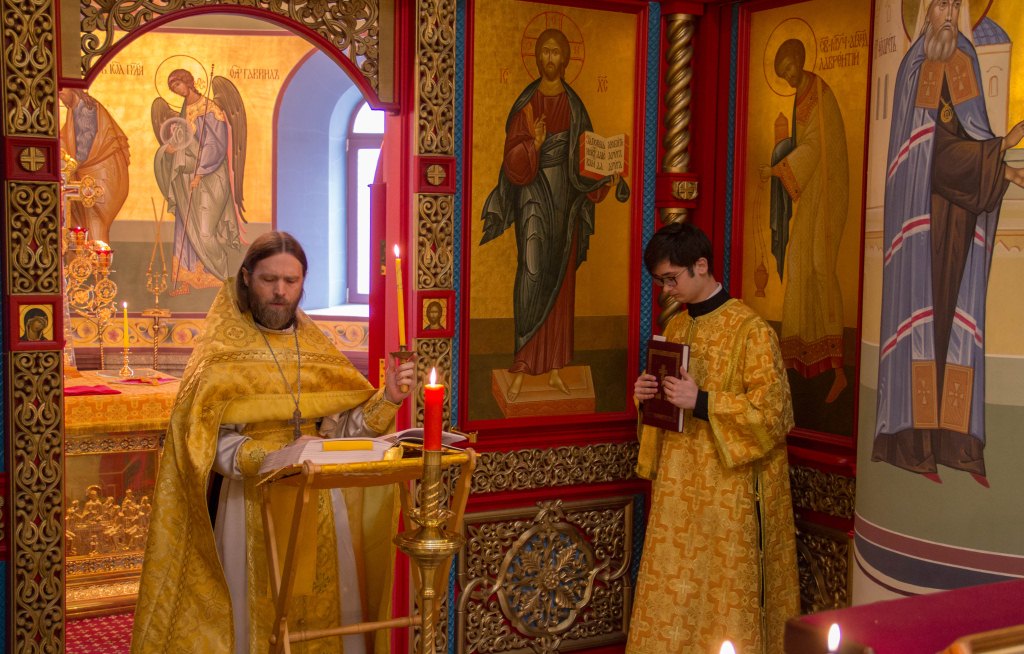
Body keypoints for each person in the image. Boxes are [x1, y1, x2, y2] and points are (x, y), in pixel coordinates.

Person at [131, 231, 416, 654]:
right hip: (249, 501)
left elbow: (342, 431)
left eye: (291, 280)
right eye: (269, 280)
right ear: (247, 277)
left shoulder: (316, 348)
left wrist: (387, 398)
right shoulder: (220, 352)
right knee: (256, 615)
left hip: (318, 499)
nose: (281, 291)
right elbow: (204, 439)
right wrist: (269, 457)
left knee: (325, 614)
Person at [627, 222, 798, 653]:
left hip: (730, 493)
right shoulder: (677, 328)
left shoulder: (752, 330)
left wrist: (701, 401)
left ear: (701, 265)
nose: (667, 290)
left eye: (672, 278)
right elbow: (666, 409)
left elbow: (774, 415)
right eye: (661, 282)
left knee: (723, 594)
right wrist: (646, 398)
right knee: (678, 594)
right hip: (679, 490)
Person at [874, 0, 1024, 484]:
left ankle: (956, 445)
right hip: (923, 221)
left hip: (960, 217)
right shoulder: (914, 66)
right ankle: (914, 444)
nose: (949, 12)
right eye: (941, 2)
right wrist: (1001, 153)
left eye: (956, 4)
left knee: (954, 321)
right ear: (924, 10)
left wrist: (995, 161)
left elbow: (968, 130)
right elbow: (925, 150)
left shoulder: (966, 59)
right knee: (925, 320)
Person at [480, 27, 629, 401]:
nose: (549, 58)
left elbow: (587, 160)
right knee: (532, 270)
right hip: (533, 194)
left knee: (561, 282)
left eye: (555, 52)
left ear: (565, 59)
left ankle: (556, 367)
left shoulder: (575, 106)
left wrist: (606, 175)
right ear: (537, 57)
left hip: (567, 200)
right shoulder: (527, 103)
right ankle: (523, 361)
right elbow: (512, 161)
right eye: (544, 51)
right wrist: (535, 143)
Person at [760, 38, 850, 404]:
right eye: (783, 75)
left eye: (790, 68)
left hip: (829, 192)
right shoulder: (802, 95)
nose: (789, 77)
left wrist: (778, 169)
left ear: (800, 60)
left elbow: (816, 147)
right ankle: (796, 361)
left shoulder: (819, 92)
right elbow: (804, 145)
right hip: (812, 193)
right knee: (798, 264)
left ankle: (838, 369)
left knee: (819, 266)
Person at [152, 69, 246, 296]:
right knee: (185, 229)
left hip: (211, 178)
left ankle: (221, 277)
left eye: (178, 85)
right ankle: (186, 278)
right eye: (173, 88)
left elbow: (216, 145)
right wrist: (169, 150)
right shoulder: (183, 112)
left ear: (188, 82)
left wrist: (200, 173)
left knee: (204, 231)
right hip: (187, 180)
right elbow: (182, 141)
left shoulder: (211, 110)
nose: (177, 90)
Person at [58, 88, 130, 244]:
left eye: (62, 93)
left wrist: (71, 165)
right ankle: (85, 257)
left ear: (73, 90)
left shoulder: (86, 108)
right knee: (85, 223)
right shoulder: (76, 109)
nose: (60, 98)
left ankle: (96, 258)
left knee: (95, 221)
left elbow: (85, 142)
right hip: (89, 175)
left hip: (99, 176)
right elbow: (65, 138)